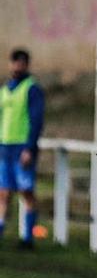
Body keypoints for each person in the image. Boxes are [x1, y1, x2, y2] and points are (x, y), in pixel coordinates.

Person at [0, 49, 44, 249]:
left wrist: (29, 147)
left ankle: (28, 236)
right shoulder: (5, 90)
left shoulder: (31, 89)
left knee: (26, 191)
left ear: (26, 65)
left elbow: (36, 120)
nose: (17, 66)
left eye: (21, 63)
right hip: (5, 147)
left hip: (21, 148)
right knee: (4, 191)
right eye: (14, 62)